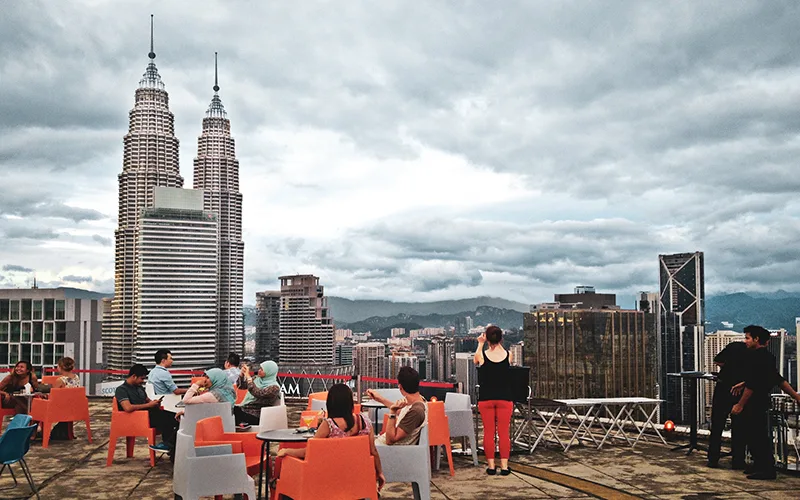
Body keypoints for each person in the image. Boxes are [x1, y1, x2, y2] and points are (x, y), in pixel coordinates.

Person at [276, 384, 385, 490]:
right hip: (358, 477)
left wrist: (287, 451)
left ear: (331, 403)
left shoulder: (329, 424)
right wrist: (380, 472)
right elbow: (373, 451)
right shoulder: (365, 421)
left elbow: (309, 452)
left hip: (329, 479)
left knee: (287, 473)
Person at [731, 325, 800, 480]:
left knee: (756, 436)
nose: (746, 341)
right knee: (756, 435)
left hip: (755, 402)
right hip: (761, 401)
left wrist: (740, 404)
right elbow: (776, 379)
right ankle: (760, 466)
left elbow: (753, 384)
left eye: (748, 338)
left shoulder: (755, 357)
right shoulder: (767, 357)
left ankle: (766, 469)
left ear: (757, 339)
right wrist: (796, 396)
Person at [114, 364, 179, 456]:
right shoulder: (121, 390)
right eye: (141, 378)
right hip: (138, 419)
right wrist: (149, 405)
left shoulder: (139, 388)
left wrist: (155, 403)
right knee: (170, 421)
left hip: (149, 415)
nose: (142, 381)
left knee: (176, 418)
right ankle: (169, 446)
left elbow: (147, 400)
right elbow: (127, 408)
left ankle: (169, 446)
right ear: (134, 376)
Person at [474, 325, 513, 476]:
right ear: (501, 338)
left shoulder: (483, 356)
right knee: (503, 433)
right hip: (504, 398)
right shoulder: (509, 355)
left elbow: (475, 361)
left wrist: (480, 343)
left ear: (487, 338)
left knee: (488, 433)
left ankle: (491, 466)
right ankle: (504, 467)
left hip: (486, 399)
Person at [707, 340, 748, 469]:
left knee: (717, 425)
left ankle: (713, 458)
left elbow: (717, 360)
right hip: (738, 390)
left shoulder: (729, 349)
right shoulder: (747, 353)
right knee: (739, 427)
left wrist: (726, 367)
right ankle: (738, 460)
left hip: (723, 387)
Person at [368, 366, 427, 446]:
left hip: (384, 450)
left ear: (400, 387)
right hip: (382, 446)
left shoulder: (416, 411)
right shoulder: (420, 402)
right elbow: (404, 413)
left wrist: (392, 412)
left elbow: (390, 440)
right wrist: (380, 399)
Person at [234, 360, 282, 426]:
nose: (259, 370)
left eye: (262, 369)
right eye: (259, 368)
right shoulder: (257, 379)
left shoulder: (274, 388)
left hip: (257, 415)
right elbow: (242, 386)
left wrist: (248, 377)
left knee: (233, 412)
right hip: (245, 409)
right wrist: (242, 375)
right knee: (230, 410)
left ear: (269, 372)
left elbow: (258, 393)